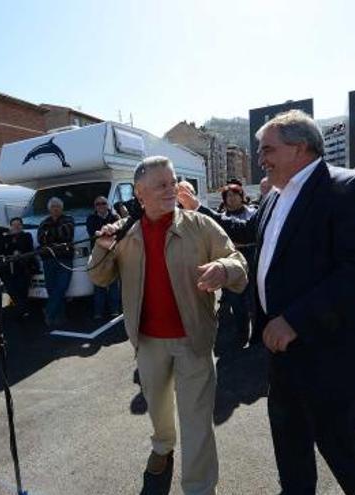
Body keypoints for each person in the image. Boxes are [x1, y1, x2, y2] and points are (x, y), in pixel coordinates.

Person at [179, 109, 355, 494]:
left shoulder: (351, 189)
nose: (261, 158)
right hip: (281, 355)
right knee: (290, 447)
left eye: (268, 149)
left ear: (300, 147)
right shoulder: (276, 197)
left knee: (344, 453)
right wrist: (199, 210)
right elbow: (247, 232)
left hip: (330, 353)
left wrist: (294, 319)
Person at [89, 156, 248, 495]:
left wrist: (224, 268)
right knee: (159, 409)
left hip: (193, 340)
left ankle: (200, 488)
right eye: (161, 184)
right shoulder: (125, 234)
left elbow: (239, 263)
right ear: (140, 193)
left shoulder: (199, 225)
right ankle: (162, 446)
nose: (171, 189)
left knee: (197, 422)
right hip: (147, 343)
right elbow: (100, 278)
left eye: (172, 182)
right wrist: (100, 249)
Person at [218, 183, 256, 346]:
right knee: (236, 301)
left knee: (253, 300)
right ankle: (242, 334)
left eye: (235, 195)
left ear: (242, 196)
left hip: (251, 259)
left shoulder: (253, 213)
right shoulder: (221, 218)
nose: (231, 199)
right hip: (231, 261)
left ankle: (258, 334)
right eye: (228, 196)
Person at [38, 197, 75, 328]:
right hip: (48, 259)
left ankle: (48, 310)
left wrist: (50, 236)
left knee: (61, 287)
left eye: (58, 206)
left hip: (64, 258)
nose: (55, 208)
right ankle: (59, 318)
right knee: (51, 288)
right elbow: (41, 238)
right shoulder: (43, 222)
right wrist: (55, 236)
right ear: (49, 209)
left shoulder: (69, 219)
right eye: (53, 206)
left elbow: (67, 234)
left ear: (62, 208)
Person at [86, 195, 120, 319]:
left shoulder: (115, 217)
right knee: (98, 282)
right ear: (95, 207)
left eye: (103, 203)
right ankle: (98, 312)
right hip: (98, 255)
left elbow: (118, 234)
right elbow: (93, 233)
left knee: (113, 283)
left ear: (108, 205)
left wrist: (104, 234)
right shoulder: (91, 219)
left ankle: (114, 309)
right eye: (98, 204)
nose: (101, 206)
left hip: (112, 254)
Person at [3, 217, 35, 317]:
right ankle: (20, 309)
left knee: (22, 289)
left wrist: (17, 250)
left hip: (23, 267)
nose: (16, 227)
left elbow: (28, 248)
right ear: (10, 226)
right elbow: (5, 251)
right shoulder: (6, 238)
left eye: (18, 224)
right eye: (14, 225)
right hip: (10, 268)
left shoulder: (26, 235)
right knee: (10, 288)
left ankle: (22, 311)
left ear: (22, 225)